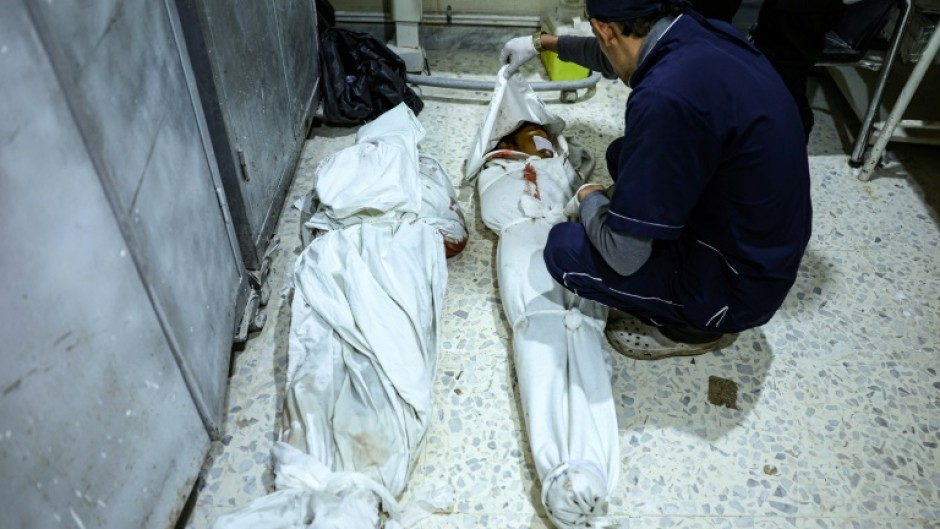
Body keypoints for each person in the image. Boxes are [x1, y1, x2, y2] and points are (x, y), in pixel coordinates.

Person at [499, 0, 812, 359]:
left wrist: (588, 197)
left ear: (604, 29)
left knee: (565, 250)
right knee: (623, 153)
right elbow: (612, 55)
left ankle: (694, 327)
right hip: (766, 245)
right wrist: (543, 43)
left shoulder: (663, 98)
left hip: (736, 287)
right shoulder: (698, 30)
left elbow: (624, 256)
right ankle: (657, 234)